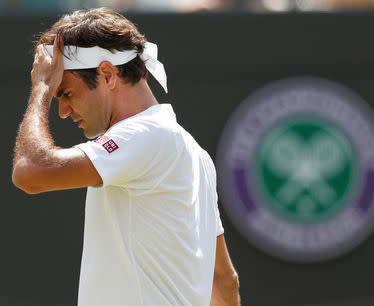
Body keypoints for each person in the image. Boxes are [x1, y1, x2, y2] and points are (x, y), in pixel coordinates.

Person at [12, 8, 240, 306]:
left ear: (107, 74)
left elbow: (30, 171)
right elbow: (223, 281)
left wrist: (41, 88)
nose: (64, 111)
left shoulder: (146, 136)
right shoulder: (193, 152)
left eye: (66, 93)